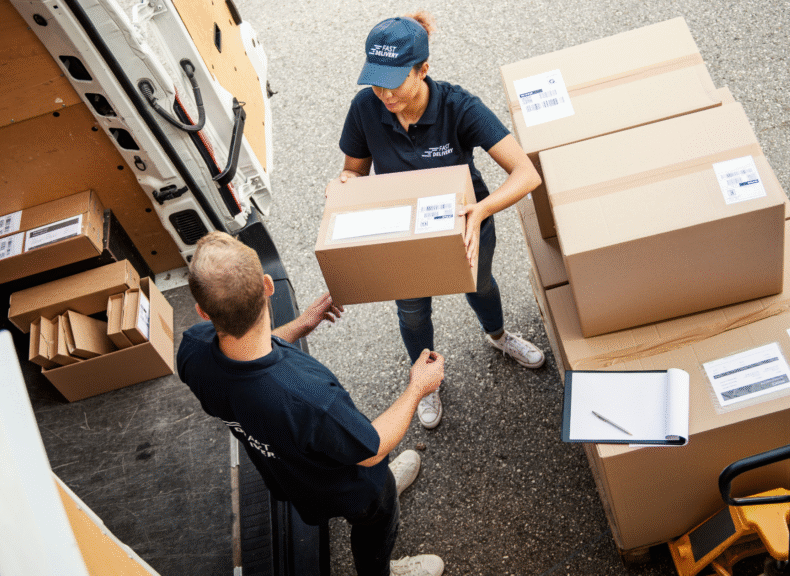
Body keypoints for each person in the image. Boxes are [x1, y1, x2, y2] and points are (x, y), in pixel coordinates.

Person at [177, 231, 446, 576]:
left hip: (292, 475)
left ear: (202, 311)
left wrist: (300, 325)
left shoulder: (192, 349)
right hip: (356, 484)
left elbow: (244, 353)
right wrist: (418, 388)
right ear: (268, 286)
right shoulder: (308, 397)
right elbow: (373, 449)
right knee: (377, 519)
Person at [333, 12, 546, 430]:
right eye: (375, 81)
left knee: (481, 286)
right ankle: (424, 383)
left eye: (394, 82)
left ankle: (500, 337)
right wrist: (346, 182)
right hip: (403, 236)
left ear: (424, 69)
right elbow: (355, 170)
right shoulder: (365, 108)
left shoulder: (458, 106)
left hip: (467, 224)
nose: (383, 93)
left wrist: (481, 210)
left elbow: (527, 173)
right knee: (412, 313)